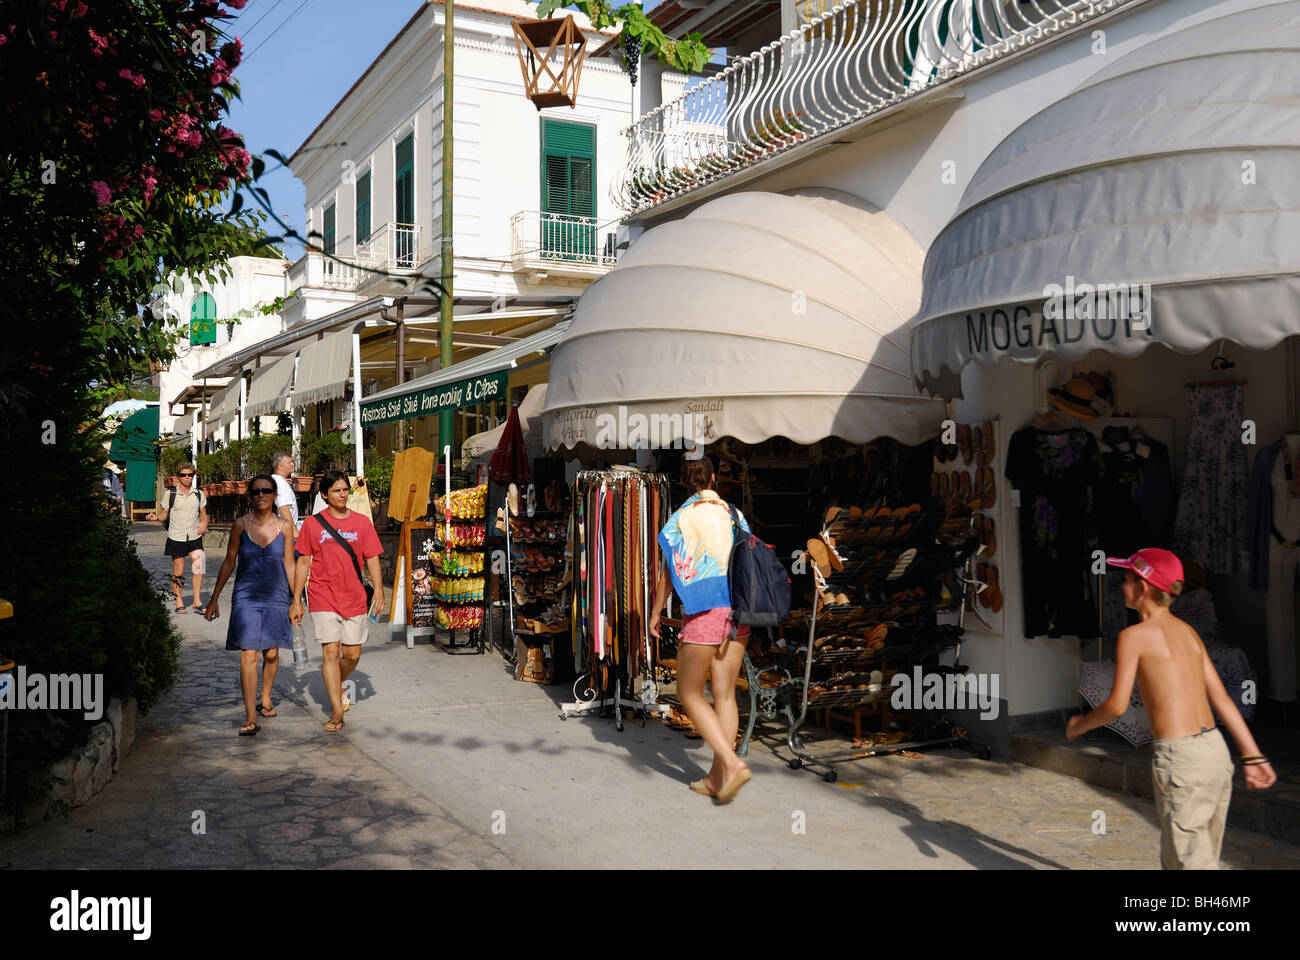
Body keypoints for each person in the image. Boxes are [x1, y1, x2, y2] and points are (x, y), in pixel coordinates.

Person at [1067, 547, 1277, 869]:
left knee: (1191, 864)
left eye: (1125, 579)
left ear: (1143, 588)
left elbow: (1116, 705)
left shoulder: (1133, 636)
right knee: (1189, 858)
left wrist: (1081, 724)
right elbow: (1222, 698)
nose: (1121, 586)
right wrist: (1253, 756)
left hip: (1181, 761)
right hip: (1215, 754)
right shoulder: (1188, 632)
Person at [649, 455, 753, 804]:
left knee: (689, 693)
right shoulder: (735, 515)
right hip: (739, 610)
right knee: (724, 695)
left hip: (705, 609)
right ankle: (715, 778)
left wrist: (654, 612)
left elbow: (670, 572)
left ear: (683, 481)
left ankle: (731, 763)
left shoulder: (680, 520)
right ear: (714, 478)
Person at [290, 470, 384, 732]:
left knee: (352, 654)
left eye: (345, 490)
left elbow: (373, 556)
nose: (343, 495)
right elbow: (303, 561)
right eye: (337, 491)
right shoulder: (312, 524)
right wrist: (297, 600)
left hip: (353, 596)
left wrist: (378, 590)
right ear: (324, 495)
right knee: (331, 652)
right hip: (322, 595)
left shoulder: (362, 523)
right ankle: (335, 711)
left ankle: (337, 682)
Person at [204, 474, 295, 736]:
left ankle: (265, 696)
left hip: (277, 596)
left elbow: (289, 564)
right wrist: (214, 599)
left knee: (272, 653)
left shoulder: (285, 526)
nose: (261, 495)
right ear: (250, 496)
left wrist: (297, 599)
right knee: (249, 653)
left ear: (275, 495)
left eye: (267, 491)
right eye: (256, 492)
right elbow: (229, 561)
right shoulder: (240, 525)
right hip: (246, 597)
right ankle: (251, 716)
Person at [147, 463, 209, 612]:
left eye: (190, 475)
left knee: (199, 565)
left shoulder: (199, 494)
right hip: (177, 536)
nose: (187, 477)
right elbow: (163, 517)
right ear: (178, 477)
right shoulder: (171, 494)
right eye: (183, 475)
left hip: (194, 536)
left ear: (193, 476)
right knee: (178, 570)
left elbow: (204, 515)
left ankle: (197, 600)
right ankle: (179, 600)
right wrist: (155, 518)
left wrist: (204, 524)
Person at [270, 450, 299, 530]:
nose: (293, 464)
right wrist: (294, 531)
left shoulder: (277, 480)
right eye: (290, 462)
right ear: (280, 467)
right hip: (286, 533)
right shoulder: (280, 482)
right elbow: (283, 508)